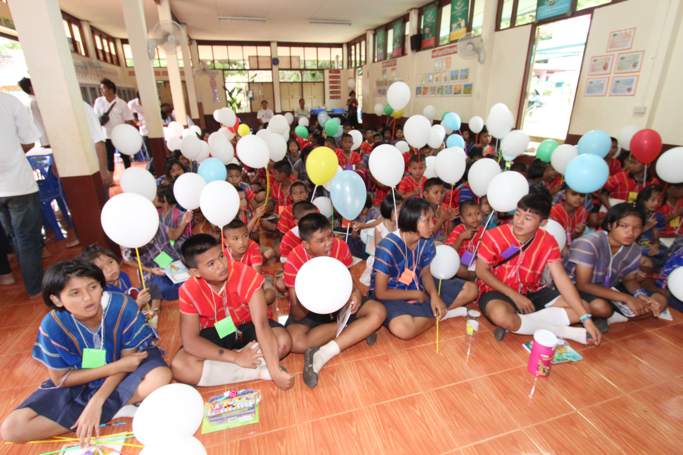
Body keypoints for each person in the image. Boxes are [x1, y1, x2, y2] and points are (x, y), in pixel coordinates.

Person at [0, 260, 171, 445]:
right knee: (12, 429)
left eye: (93, 287)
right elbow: (61, 379)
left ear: (101, 286)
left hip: (124, 373)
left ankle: (95, 412)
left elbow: (129, 362)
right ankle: (116, 407)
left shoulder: (123, 306)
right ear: (56, 300)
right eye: (75, 293)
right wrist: (113, 367)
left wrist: (97, 401)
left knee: (160, 376)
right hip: (83, 376)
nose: (88, 298)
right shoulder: (52, 325)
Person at [475, 187, 602, 345]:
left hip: (532, 290)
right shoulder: (494, 235)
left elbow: (561, 278)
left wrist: (586, 319)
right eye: (517, 214)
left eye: (528, 218)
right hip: (497, 289)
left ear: (543, 222)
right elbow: (481, 271)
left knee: (584, 309)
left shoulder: (548, 241)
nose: (519, 221)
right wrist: (515, 296)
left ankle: (522, 323)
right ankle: (562, 331)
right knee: (501, 316)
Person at [171, 234, 294, 389]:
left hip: (248, 324)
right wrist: (236, 357)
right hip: (221, 329)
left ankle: (228, 367)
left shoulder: (245, 273)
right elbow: (190, 341)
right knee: (180, 366)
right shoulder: (188, 291)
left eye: (221, 256)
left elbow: (261, 325)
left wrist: (276, 372)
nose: (221, 265)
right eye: (211, 264)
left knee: (282, 342)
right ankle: (258, 371)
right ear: (195, 272)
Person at [283, 213, 386, 388]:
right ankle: (355, 330)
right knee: (294, 342)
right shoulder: (294, 259)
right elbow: (297, 314)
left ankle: (324, 353)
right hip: (311, 312)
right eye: (321, 240)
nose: (329, 243)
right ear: (306, 244)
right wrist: (309, 298)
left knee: (378, 312)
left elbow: (349, 278)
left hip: (340, 304)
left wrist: (355, 292)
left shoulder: (340, 246)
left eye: (330, 236)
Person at [371, 198, 478, 340]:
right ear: (411, 220)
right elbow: (380, 293)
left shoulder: (426, 240)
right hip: (392, 293)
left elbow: (425, 272)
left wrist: (434, 296)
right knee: (402, 329)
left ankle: (435, 311)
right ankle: (442, 313)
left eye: (432, 219)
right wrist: (416, 294)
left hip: (418, 281)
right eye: (426, 220)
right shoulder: (388, 246)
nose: (432, 225)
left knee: (471, 290)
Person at [567, 203, 667, 324]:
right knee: (602, 308)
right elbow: (583, 285)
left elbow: (628, 279)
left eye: (637, 228)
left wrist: (639, 295)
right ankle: (607, 313)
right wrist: (626, 298)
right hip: (576, 288)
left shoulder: (634, 249)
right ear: (610, 225)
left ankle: (612, 314)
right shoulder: (589, 243)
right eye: (624, 226)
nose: (630, 232)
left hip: (608, 287)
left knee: (658, 301)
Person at [0, 91, 43, 298]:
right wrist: (11, 156)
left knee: (13, 235)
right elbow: (28, 141)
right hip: (17, 184)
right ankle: (35, 287)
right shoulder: (8, 101)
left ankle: (10, 275)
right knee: (26, 238)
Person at [80, 244, 153, 311]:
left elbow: (130, 293)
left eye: (110, 262)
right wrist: (138, 303)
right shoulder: (105, 293)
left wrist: (139, 299)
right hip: (124, 315)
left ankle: (153, 311)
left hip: (132, 304)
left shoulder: (123, 275)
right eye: (101, 269)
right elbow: (120, 313)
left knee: (153, 288)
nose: (109, 269)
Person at [222, 220, 277, 307]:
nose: (242, 242)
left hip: (253, 283)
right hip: (233, 288)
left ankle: (248, 307)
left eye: (245, 236)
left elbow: (256, 276)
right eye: (235, 238)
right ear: (226, 242)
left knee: (270, 295)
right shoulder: (223, 255)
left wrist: (248, 297)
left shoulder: (253, 246)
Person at [93, 78, 135, 171]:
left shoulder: (121, 103)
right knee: (109, 159)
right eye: (101, 89)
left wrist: (128, 134)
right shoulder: (99, 101)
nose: (101, 91)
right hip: (106, 136)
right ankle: (110, 177)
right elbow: (95, 117)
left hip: (120, 135)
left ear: (111, 90)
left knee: (125, 156)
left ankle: (128, 172)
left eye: (103, 88)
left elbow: (128, 120)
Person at [446, 200, 485, 280]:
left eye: (477, 213)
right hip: (459, 262)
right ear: (462, 219)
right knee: (457, 268)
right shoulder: (459, 229)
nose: (474, 218)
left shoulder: (483, 231)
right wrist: (461, 238)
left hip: (475, 265)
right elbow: (450, 253)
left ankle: (473, 277)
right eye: (469, 215)